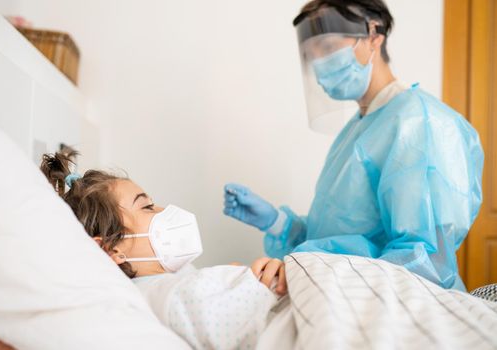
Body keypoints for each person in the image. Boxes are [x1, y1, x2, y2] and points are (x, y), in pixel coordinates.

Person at [223, 0, 484, 290]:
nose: (319, 63)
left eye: (328, 46)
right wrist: (277, 222)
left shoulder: (417, 123)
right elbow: (334, 233)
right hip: (346, 294)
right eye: (311, 55)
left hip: (401, 303)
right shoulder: (358, 129)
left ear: (374, 35)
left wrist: (306, 267)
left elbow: (422, 258)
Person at [40, 150, 286, 349]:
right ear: (109, 249)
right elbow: (229, 323)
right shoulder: (160, 295)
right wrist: (261, 285)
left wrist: (231, 278)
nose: (164, 211)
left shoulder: (166, 280)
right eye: (147, 206)